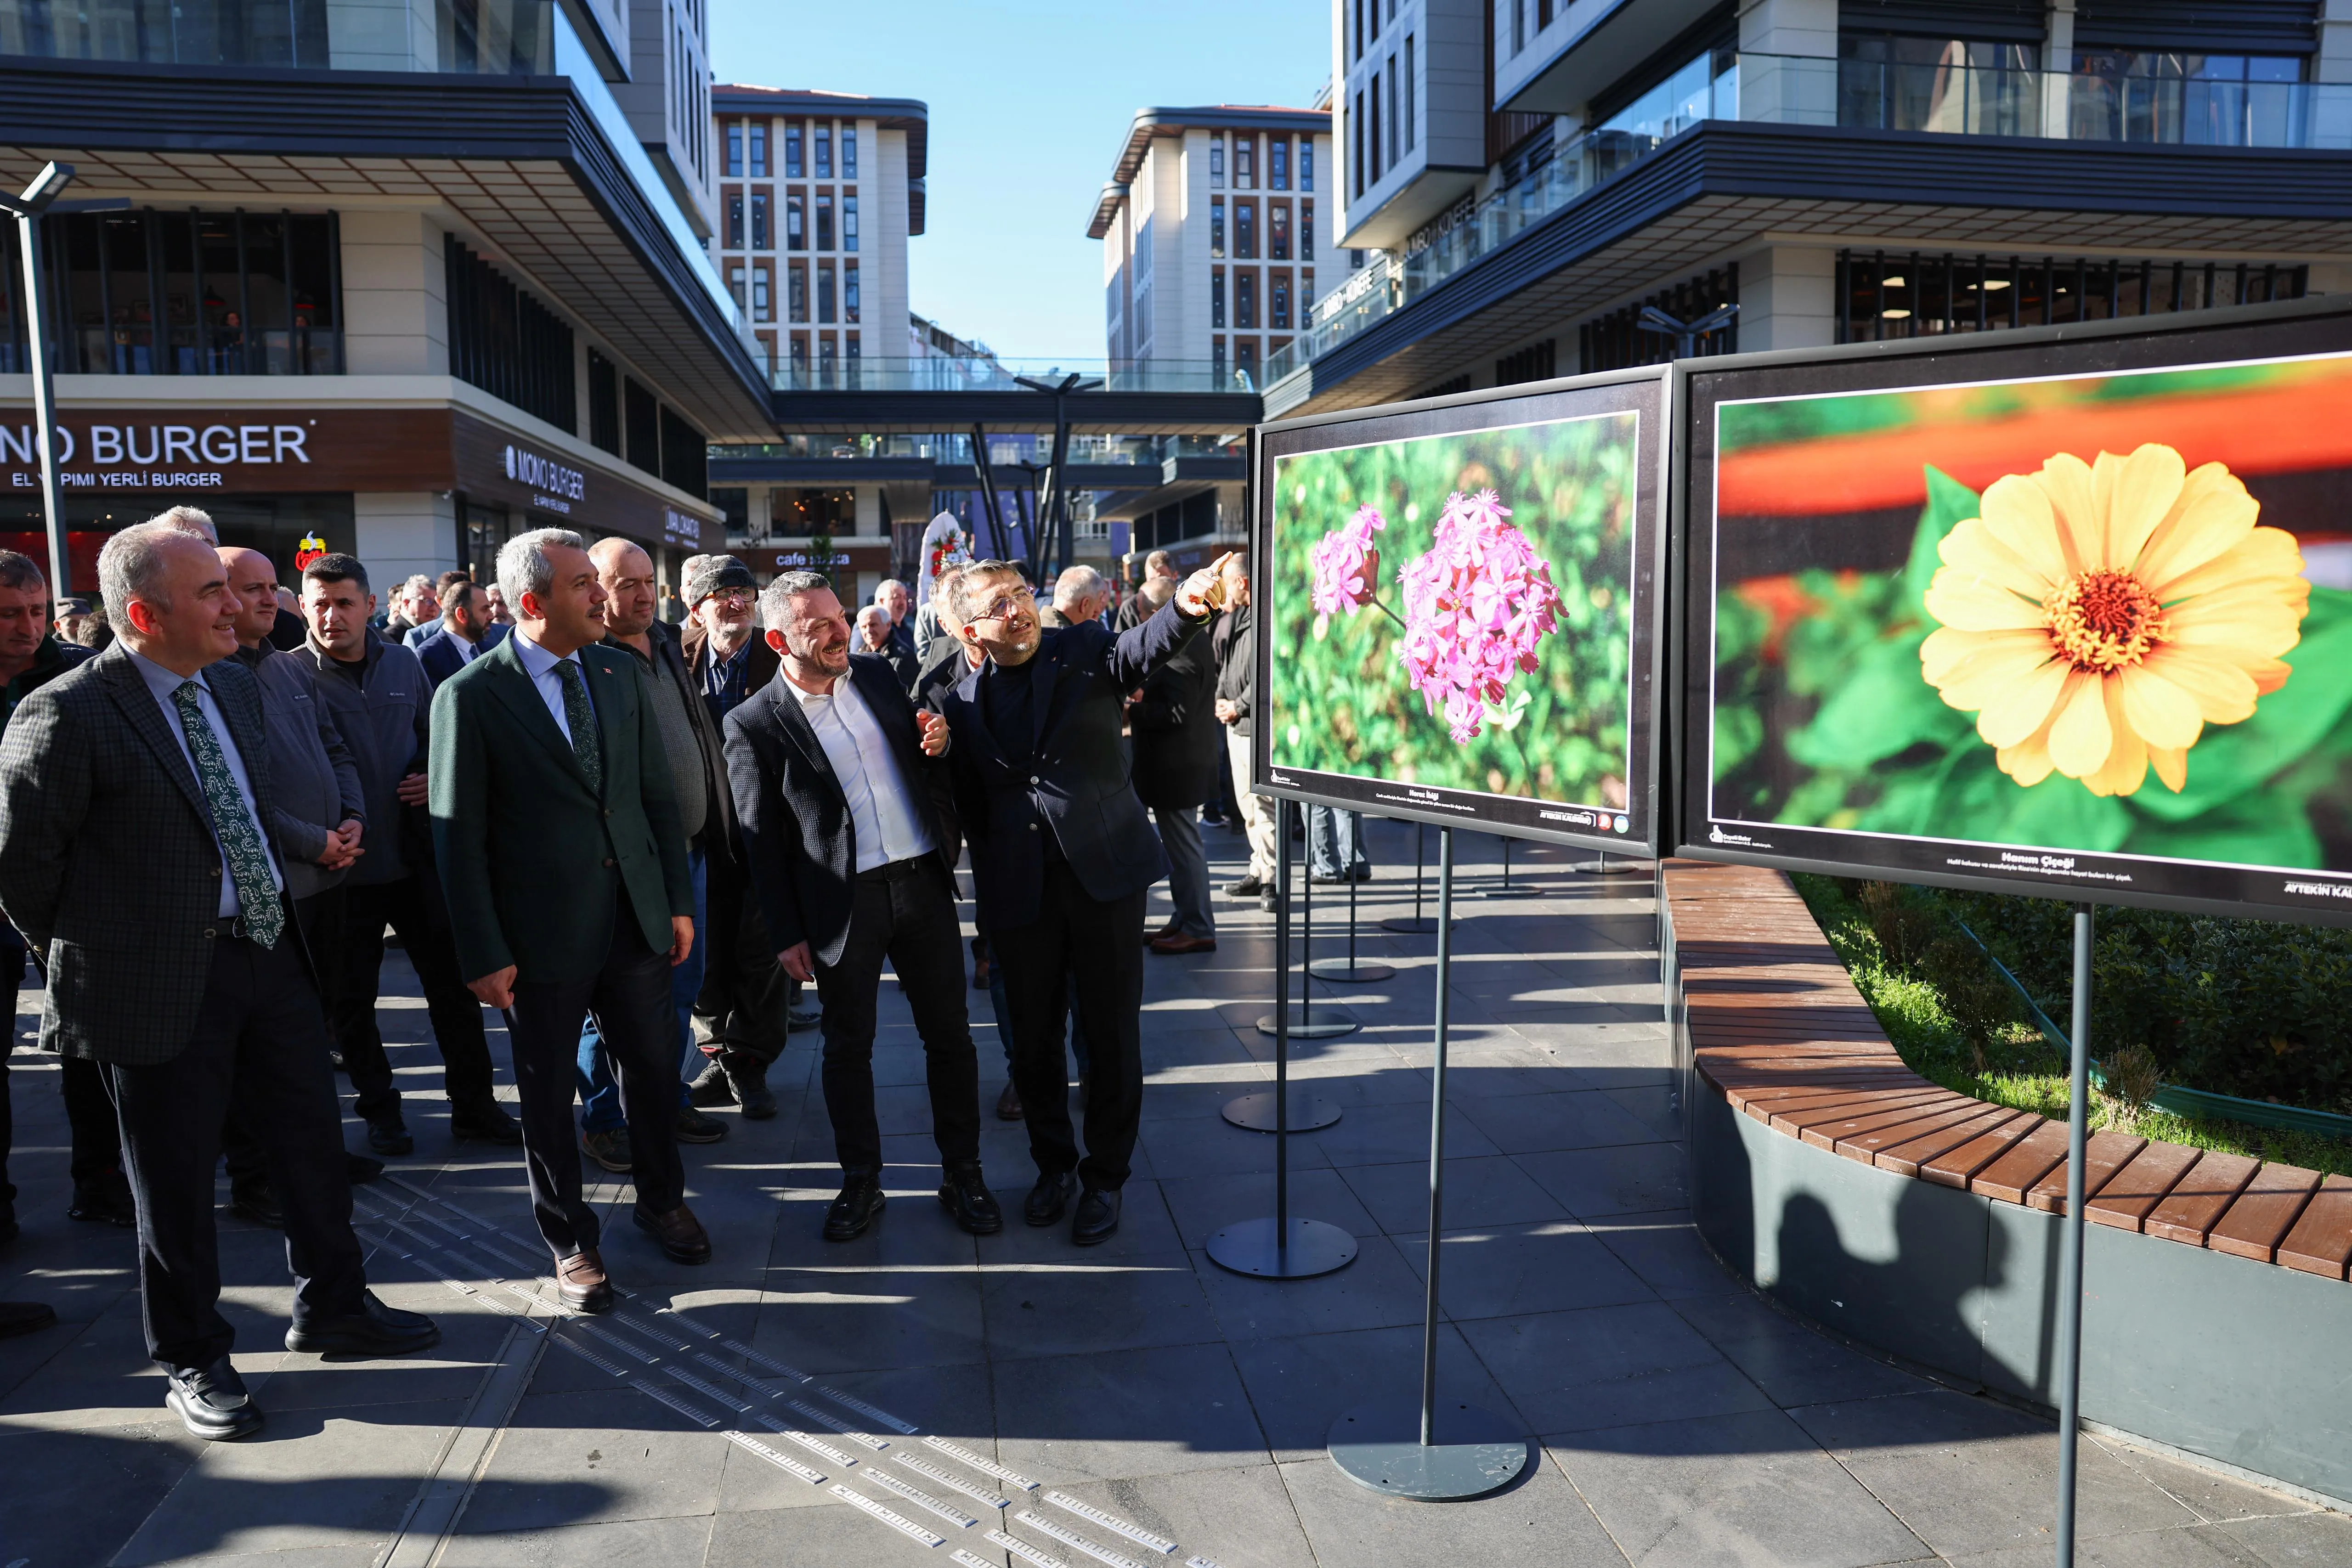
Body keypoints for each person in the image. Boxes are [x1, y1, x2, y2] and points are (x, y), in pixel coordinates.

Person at [0, 521, 439, 1440]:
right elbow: (24, 873)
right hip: (156, 983)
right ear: (146, 614)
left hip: (268, 952)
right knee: (172, 1180)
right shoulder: (68, 713)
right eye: (213, 593)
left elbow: (240, 807)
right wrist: (103, 960)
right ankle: (192, 1354)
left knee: (311, 1140)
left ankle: (335, 1304)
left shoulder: (233, 687)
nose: (241, 606)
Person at [430, 527, 707, 1309]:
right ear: (532, 602)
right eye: (582, 582)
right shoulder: (472, 695)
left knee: (653, 1070)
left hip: (636, 920)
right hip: (538, 938)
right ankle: (572, 1239)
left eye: (597, 578)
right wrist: (482, 950)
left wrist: (677, 901)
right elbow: (458, 838)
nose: (599, 593)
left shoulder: (618, 672)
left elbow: (655, 797)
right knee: (548, 1091)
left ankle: (662, 1198)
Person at [934, 554, 1231, 1245]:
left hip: (1105, 879)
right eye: (998, 603)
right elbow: (963, 797)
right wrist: (939, 749)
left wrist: (1188, 607)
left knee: (1109, 1038)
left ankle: (1106, 1177)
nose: (1017, 609)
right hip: (1018, 892)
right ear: (971, 630)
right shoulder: (956, 700)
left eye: (1019, 594)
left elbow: (1142, 647)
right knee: (1032, 1046)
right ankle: (1054, 1166)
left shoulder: (1083, 648)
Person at [727, 572, 995, 1241]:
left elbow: (925, 757)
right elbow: (759, 842)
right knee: (849, 1049)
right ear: (779, 639)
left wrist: (936, 741)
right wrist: (785, 931)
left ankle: (964, 1172)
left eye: (838, 615)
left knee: (951, 1039)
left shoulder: (877, 676)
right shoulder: (755, 721)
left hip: (923, 886)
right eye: (816, 625)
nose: (838, 630)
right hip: (843, 905)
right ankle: (861, 1181)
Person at [290, 555, 518, 1154]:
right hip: (340, 873)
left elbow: (434, 739)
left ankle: (475, 1107)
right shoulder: (290, 677)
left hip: (417, 863)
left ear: (370, 606)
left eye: (344, 602)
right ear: (304, 607)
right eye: (320, 603)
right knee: (352, 1004)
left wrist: (427, 773)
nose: (332, 615)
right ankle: (382, 1114)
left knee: (454, 994)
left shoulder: (403, 662)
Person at [572, 538, 733, 1172]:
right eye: (625, 583)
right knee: (610, 1001)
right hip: (628, 867)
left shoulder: (667, 643)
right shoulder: (587, 658)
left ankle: (663, 1098)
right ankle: (606, 1118)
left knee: (680, 987)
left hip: (689, 851)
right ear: (595, 589)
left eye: (649, 581)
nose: (642, 594)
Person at [0, 552, 124, 1295]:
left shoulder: (73, 671)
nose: (25, 628)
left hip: (66, 893)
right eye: (7, 615)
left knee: (87, 1040)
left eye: (34, 611)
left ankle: (101, 1176)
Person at [1131, 574, 1221, 956]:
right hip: (1176, 764)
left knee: (1185, 849)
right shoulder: (1189, 640)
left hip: (1177, 767)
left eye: (1140, 613)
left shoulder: (1182, 646)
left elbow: (1177, 713)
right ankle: (1185, 918)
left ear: (1158, 612)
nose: (1139, 621)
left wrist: (1134, 709)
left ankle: (1198, 925)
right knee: (1180, 848)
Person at [1212, 557, 1276, 906]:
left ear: (1243, 583)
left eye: (1227, 582)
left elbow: (1266, 671)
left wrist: (1238, 705)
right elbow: (1228, 665)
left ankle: (1271, 879)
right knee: (1247, 805)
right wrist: (1223, 699)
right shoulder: (1240, 617)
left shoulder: (1264, 616)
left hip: (1253, 727)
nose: (1224, 591)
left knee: (1262, 806)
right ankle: (1260, 868)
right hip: (1237, 724)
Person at [681, 555, 777, 722]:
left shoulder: (780, 653)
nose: (739, 604)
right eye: (724, 595)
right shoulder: (675, 652)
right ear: (697, 611)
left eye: (745, 592)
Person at [413, 576, 510, 686]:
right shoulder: (428, 656)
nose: (491, 615)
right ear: (462, 615)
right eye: (484, 609)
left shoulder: (489, 650)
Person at [855, 604, 919, 693]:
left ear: (888, 625)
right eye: (864, 627)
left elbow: (907, 698)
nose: (869, 631)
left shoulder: (902, 657)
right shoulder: (859, 655)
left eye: (873, 625)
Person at [406, 571, 477, 649]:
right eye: (427, 601)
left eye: (435, 603)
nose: (433, 608)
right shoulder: (418, 637)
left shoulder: (486, 631)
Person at [1038, 565, 1109, 631]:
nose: (1099, 611)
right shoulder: (1066, 639)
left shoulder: (1037, 623)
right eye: (1095, 613)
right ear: (1085, 604)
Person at [873, 577, 916, 663]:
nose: (903, 603)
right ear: (882, 601)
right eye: (897, 597)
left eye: (905, 598)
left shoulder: (907, 629)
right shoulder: (868, 625)